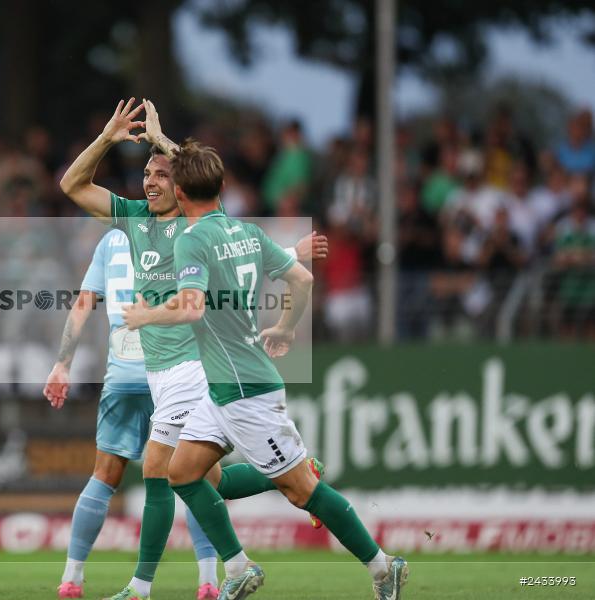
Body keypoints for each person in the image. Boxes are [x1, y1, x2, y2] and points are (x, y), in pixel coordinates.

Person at [58, 99, 327, 600]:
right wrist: (108, 137)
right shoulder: (134, 219)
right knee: (211, 481)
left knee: (158, 472)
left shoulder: (196, 223)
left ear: (181, 188)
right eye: (147, 174)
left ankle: (145, 586)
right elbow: (72, 186)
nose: (152, 181)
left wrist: (164, 142)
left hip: (193, 366)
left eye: (162, 174)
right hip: (160, 371)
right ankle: (295, 476)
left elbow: (205, 174)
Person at [123, 139, 408, 600]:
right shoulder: (245, 232)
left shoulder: (193, 239)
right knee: (181, 472)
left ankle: (382, 566)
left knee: (301, 491)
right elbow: (303, 276)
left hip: (245, 391)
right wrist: (287, 327)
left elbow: (192, 308)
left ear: (179, 192)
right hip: (225, 387)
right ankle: (239, 566)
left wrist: (145, 316)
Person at [44, 229, 219, 599]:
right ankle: (209, 582)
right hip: (172, 371)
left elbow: (82, 304)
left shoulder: (111, 240)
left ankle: (71, 579)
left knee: (104, 475)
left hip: (122, 374)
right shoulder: (187, 234)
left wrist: (62, 364)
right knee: (199, 478)